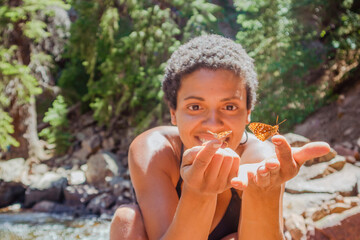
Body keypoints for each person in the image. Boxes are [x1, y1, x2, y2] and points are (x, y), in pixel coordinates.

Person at [110, 34, 330, 240]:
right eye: (195, 106)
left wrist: (264, 191)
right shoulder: (155, 150)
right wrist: (198, 192)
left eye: (230, 106)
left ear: (248, 113)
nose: (213, 124)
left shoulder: (261, 161)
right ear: (173, 112)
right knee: (127, 220)